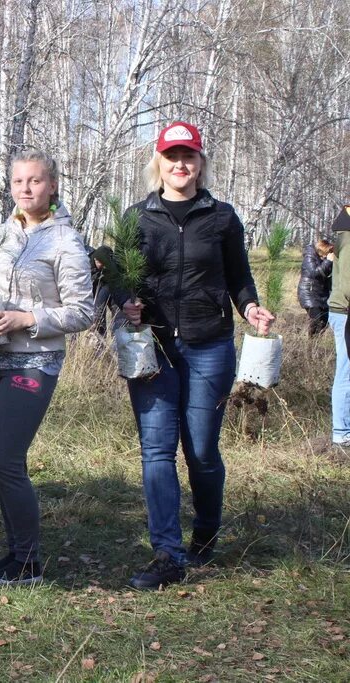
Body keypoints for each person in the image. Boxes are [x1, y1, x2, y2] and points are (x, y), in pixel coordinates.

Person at [118, 121, 275, 589]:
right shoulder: (136, 217)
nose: (180, 164)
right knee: (157, 451)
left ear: (200, 162)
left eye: (188, 156)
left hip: (210, 346)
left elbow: (238, 277)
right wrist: (122, 300)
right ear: (158, 162)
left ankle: (205, 534)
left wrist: (250, 307)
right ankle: (167, 553)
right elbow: (119, 279)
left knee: (202, 451)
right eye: (172, 156)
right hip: (154, 349)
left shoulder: (221, 217)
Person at [0, 151, 94, 586]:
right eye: (18, 181)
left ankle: (28, 562)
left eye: (34, 181)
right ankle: (15, 552)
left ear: (52, 186)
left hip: (34, 361)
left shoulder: (65, 241)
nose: (25, 188)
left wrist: (29, 319)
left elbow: (82, 311)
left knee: (7, 459)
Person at [326, 205, 350, 447]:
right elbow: (348, 285)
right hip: (345, 313)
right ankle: (342, 432)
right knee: (347, 372)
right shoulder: (349, 236)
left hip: (343, 311)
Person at [298, 238, 334, 337]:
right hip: (309, 293)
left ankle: (315, 343)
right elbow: (315, 273)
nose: (327, 255)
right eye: (327, 253)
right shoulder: (309, 256)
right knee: (317, 320)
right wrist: (328, 261)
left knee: (325, 320)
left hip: (321, 294)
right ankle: (311, 343)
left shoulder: (322, 259)